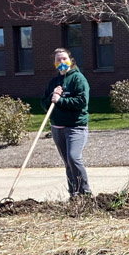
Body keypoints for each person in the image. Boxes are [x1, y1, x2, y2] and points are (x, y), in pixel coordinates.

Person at [41, 47, 91, 199]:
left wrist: (60, 100)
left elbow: (82, 101)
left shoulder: (78, 79)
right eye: (58, 60)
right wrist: (52, 96)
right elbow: (44, 104)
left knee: (73, 158)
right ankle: (74, 194)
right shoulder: (54, 82)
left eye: (64, 59)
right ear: (55, 63)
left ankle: (85, 193)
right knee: (68, 163)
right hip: (57, 128)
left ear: (71, 60)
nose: (61, 62)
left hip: (75, 126)